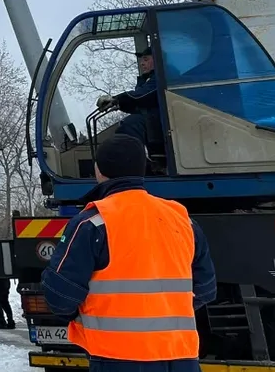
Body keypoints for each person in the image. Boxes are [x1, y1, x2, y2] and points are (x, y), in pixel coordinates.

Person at [41, 134, 217, 371]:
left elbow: (60, 297)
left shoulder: (93, 223)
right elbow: (205, 290)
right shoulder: (183, 220)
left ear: (98, 170)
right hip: (181, 357)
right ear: (142, 169)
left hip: (116, 357)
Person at [95, 47, 160, 148]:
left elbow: (141, 96)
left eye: (146, 59)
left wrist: (115, 99)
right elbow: (139, 104)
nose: (142, 63)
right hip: (154, 126)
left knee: (130, 125)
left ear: (158, 59)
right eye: (141, 60)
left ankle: (132, 160)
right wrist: (119, 104)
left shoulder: (163, 78)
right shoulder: (147, 80)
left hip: (163, 125)